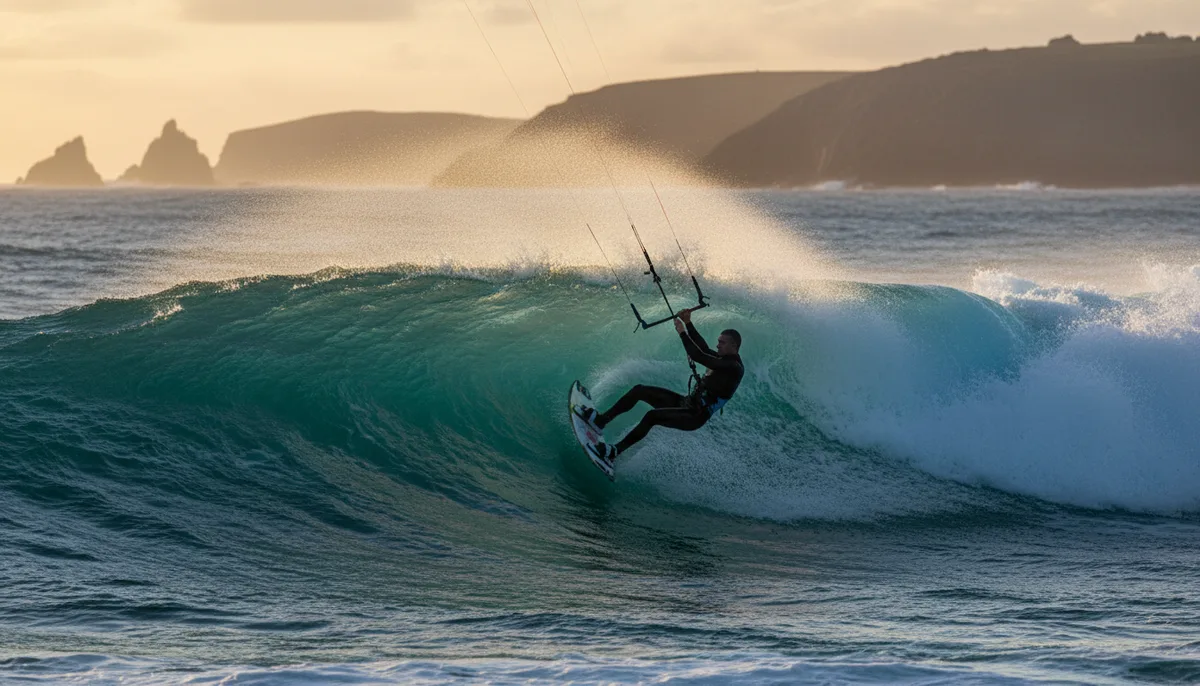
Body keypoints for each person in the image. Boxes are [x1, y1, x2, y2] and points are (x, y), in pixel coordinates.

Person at [580, 308, 743, 464]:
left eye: (722, 343)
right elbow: (704, 349)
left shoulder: (733, 367)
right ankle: (601, 421)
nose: (718, 345)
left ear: (734, 346)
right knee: (639, 391)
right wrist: (688, 322)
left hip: (695, 416)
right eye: (718, 342)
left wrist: (682, 333)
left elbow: (698, 355)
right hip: (686, 404)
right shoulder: (723, 359)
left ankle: (614, 452)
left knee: (652, 416)